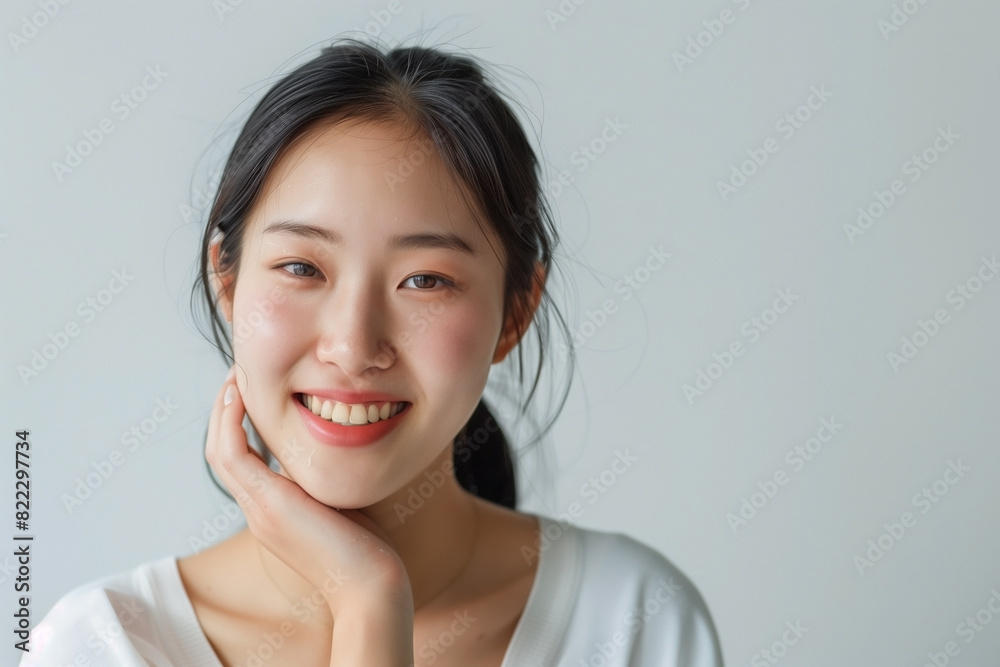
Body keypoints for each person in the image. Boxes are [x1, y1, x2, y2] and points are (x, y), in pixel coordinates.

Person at [23, 38, 724, 666]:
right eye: (303, 268)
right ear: (227, 284)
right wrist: (366, 595)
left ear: (515, 310)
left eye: (425, 280)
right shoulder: (104, 646)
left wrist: (367, 598)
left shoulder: (635, 621)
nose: (354, 347)